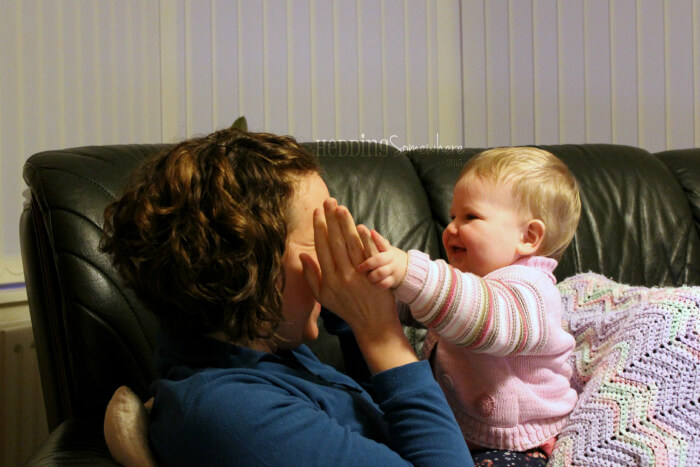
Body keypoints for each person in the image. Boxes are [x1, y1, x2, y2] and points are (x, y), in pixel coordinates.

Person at [100, 125, 473, 466]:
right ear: (251, 265)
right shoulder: (234, 415)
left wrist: (349, 311)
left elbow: (377, 410)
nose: (340, 253)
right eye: (321, 237)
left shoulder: (265, 353)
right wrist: (381, 333)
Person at [357, 147, 581, 465]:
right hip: (459, 432)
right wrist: (379, 289)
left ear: (529, 236)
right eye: (452, 217)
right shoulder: (465, 283)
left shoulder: (533, 291)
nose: (450, 229)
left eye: (470, 217)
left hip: (520, 442)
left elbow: (483, 316)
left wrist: (409, 272)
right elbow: (428, 309)